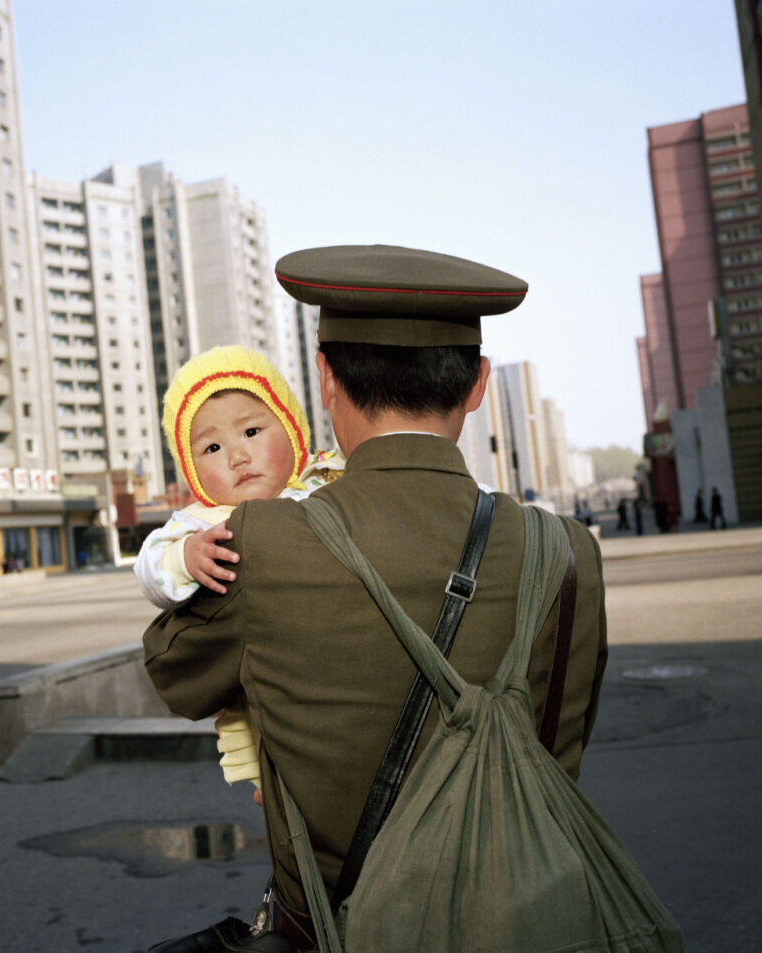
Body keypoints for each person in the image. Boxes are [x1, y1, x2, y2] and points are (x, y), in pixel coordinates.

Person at [143, 244, 608, 947]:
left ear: (326, 379)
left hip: (338, 928)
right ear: (479, 383)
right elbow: (559, 742)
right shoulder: (569, 552)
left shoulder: (261, 543)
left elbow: (173, 673)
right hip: (524, 917)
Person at [134, 344, 343, 790]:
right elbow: (151, 566)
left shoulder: (325, 490)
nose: (237, 457)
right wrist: (187, 556)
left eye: (251, 432)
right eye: (211, 447)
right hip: (261, 710)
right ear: (191, 469)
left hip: (337, 686)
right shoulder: (201, 522)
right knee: (280, 784)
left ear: (292, 429)